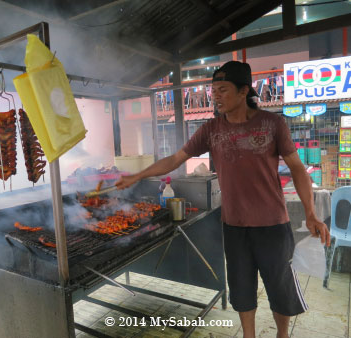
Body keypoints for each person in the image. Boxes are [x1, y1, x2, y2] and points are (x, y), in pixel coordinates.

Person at [115, 61, 331, 338]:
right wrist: (137, 175)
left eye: (223, 90)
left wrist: (310, 213)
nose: (215, 96)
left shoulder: (272, 124)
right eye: (213, 90)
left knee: (279, 285)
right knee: (241, 286)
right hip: (234, 225)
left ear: (244, 91)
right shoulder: (211, 129)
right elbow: (174, 159)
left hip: (272, 224)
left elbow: (298, 168)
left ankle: (282, 334)